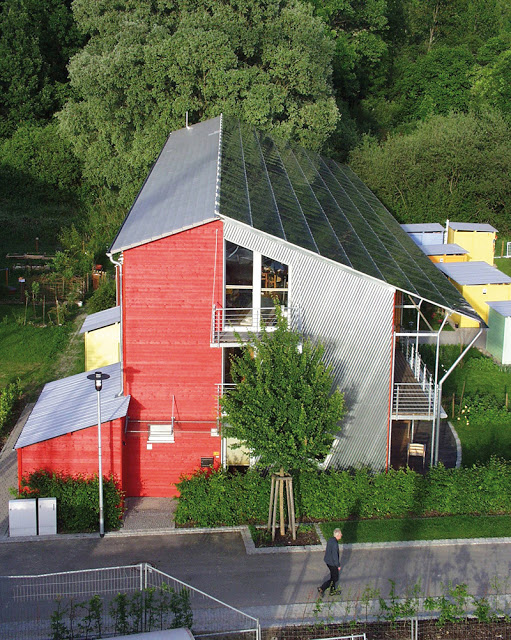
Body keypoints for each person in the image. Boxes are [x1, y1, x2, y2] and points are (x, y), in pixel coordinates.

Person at [318, 528, 342, 596]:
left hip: (328, 561)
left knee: (333, 576)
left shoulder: (331, 540)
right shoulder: (335, 544)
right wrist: (338, 565)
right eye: (340, 534)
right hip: (332, 563)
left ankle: (331, 589)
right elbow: (335, 556)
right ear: (337, 535)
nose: (341, 535)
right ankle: (323, 588)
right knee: (335, 578)